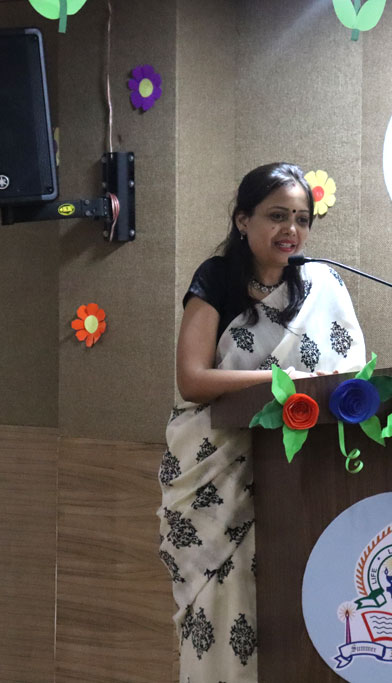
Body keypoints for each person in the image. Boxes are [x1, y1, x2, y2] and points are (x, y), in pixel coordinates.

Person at [157, 162, 366, 681]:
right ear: (242, 220)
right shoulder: (216, 279)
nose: (291, 229)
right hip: (218, 470)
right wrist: (282, 381)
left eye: (301, 218)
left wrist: (302, 385)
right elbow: (192, 379)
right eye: (277, 216)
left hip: (297, 478)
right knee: (223, 603)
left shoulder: (320, 285)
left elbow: (348, 378)